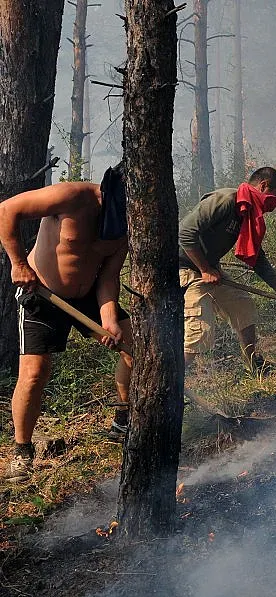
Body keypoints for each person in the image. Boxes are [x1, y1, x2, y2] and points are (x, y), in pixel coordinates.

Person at [0, 166, 133, 482]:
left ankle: (123, 420)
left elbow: (108, 277)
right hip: (42, 291)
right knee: (34, 373)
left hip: (88, 293)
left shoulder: (129, 222)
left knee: (134, 347)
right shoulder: (72, 196)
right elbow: (6, 210)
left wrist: (109, 319)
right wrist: (18, 264)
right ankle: (21, 452)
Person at [178, 167, 276, 373]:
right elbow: (186, 233)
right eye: (275, 196)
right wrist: (205, 269)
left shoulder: (248, 212)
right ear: (263, 186)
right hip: (185, 269)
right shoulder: (227, 200)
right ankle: (172, 382)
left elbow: (257, 258)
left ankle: (253, 364)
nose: (275, 203)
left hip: (209, 270)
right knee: (200, 333)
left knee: (243, 305)